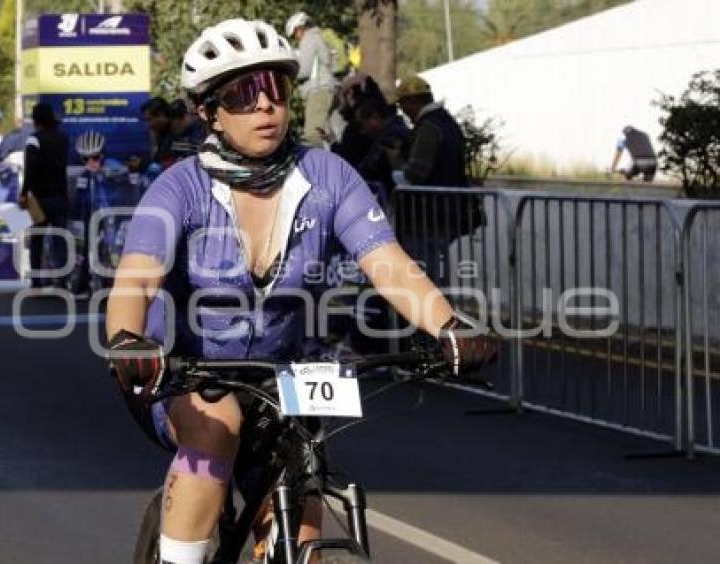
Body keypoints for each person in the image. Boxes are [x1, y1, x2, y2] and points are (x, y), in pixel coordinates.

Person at [105, 18, 497, 564]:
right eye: (245, 93)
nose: (266, 106)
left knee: (303, 479)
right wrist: (128, 340)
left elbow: (388, 264)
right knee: (218, 427)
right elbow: (136, 279)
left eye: (277, 89)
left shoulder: (328, 176)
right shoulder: (179, 187)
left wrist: (449, 325)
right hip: (185, 369)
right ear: (208, 110)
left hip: (286, 370)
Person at [18, 102, 70, 288]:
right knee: (60, 239)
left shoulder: (34, 140)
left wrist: (24, 193)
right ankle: (63, 280)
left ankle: (37, 281)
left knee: (37, 239)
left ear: (35, 120)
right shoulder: (63, 138)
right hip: (60, 195)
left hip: (39, 199)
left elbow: (30, 169)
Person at [392, 75, 467, 188]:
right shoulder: (446, 120)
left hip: (438, 201)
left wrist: (395, 160)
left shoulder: (428, 127)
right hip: (454, 199)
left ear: (413, 100)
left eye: (402, 105)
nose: (402, 110)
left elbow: (415, 174)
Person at [286, 11, 335, 147]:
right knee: (327, 132)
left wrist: (289, 74)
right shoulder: (319, 37)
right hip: (329, 87)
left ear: (299, 28)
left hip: (318, 90)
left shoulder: (308, 39)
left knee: (312, 133)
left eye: (294, 35)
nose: (296, 38)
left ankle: (318, 166)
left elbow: (304, 70)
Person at [355, 97, 410, 199]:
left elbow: (371, 165)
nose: (364, 131)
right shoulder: (392, 131)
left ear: (374, 118)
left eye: (363, 124)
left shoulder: (391, 135)